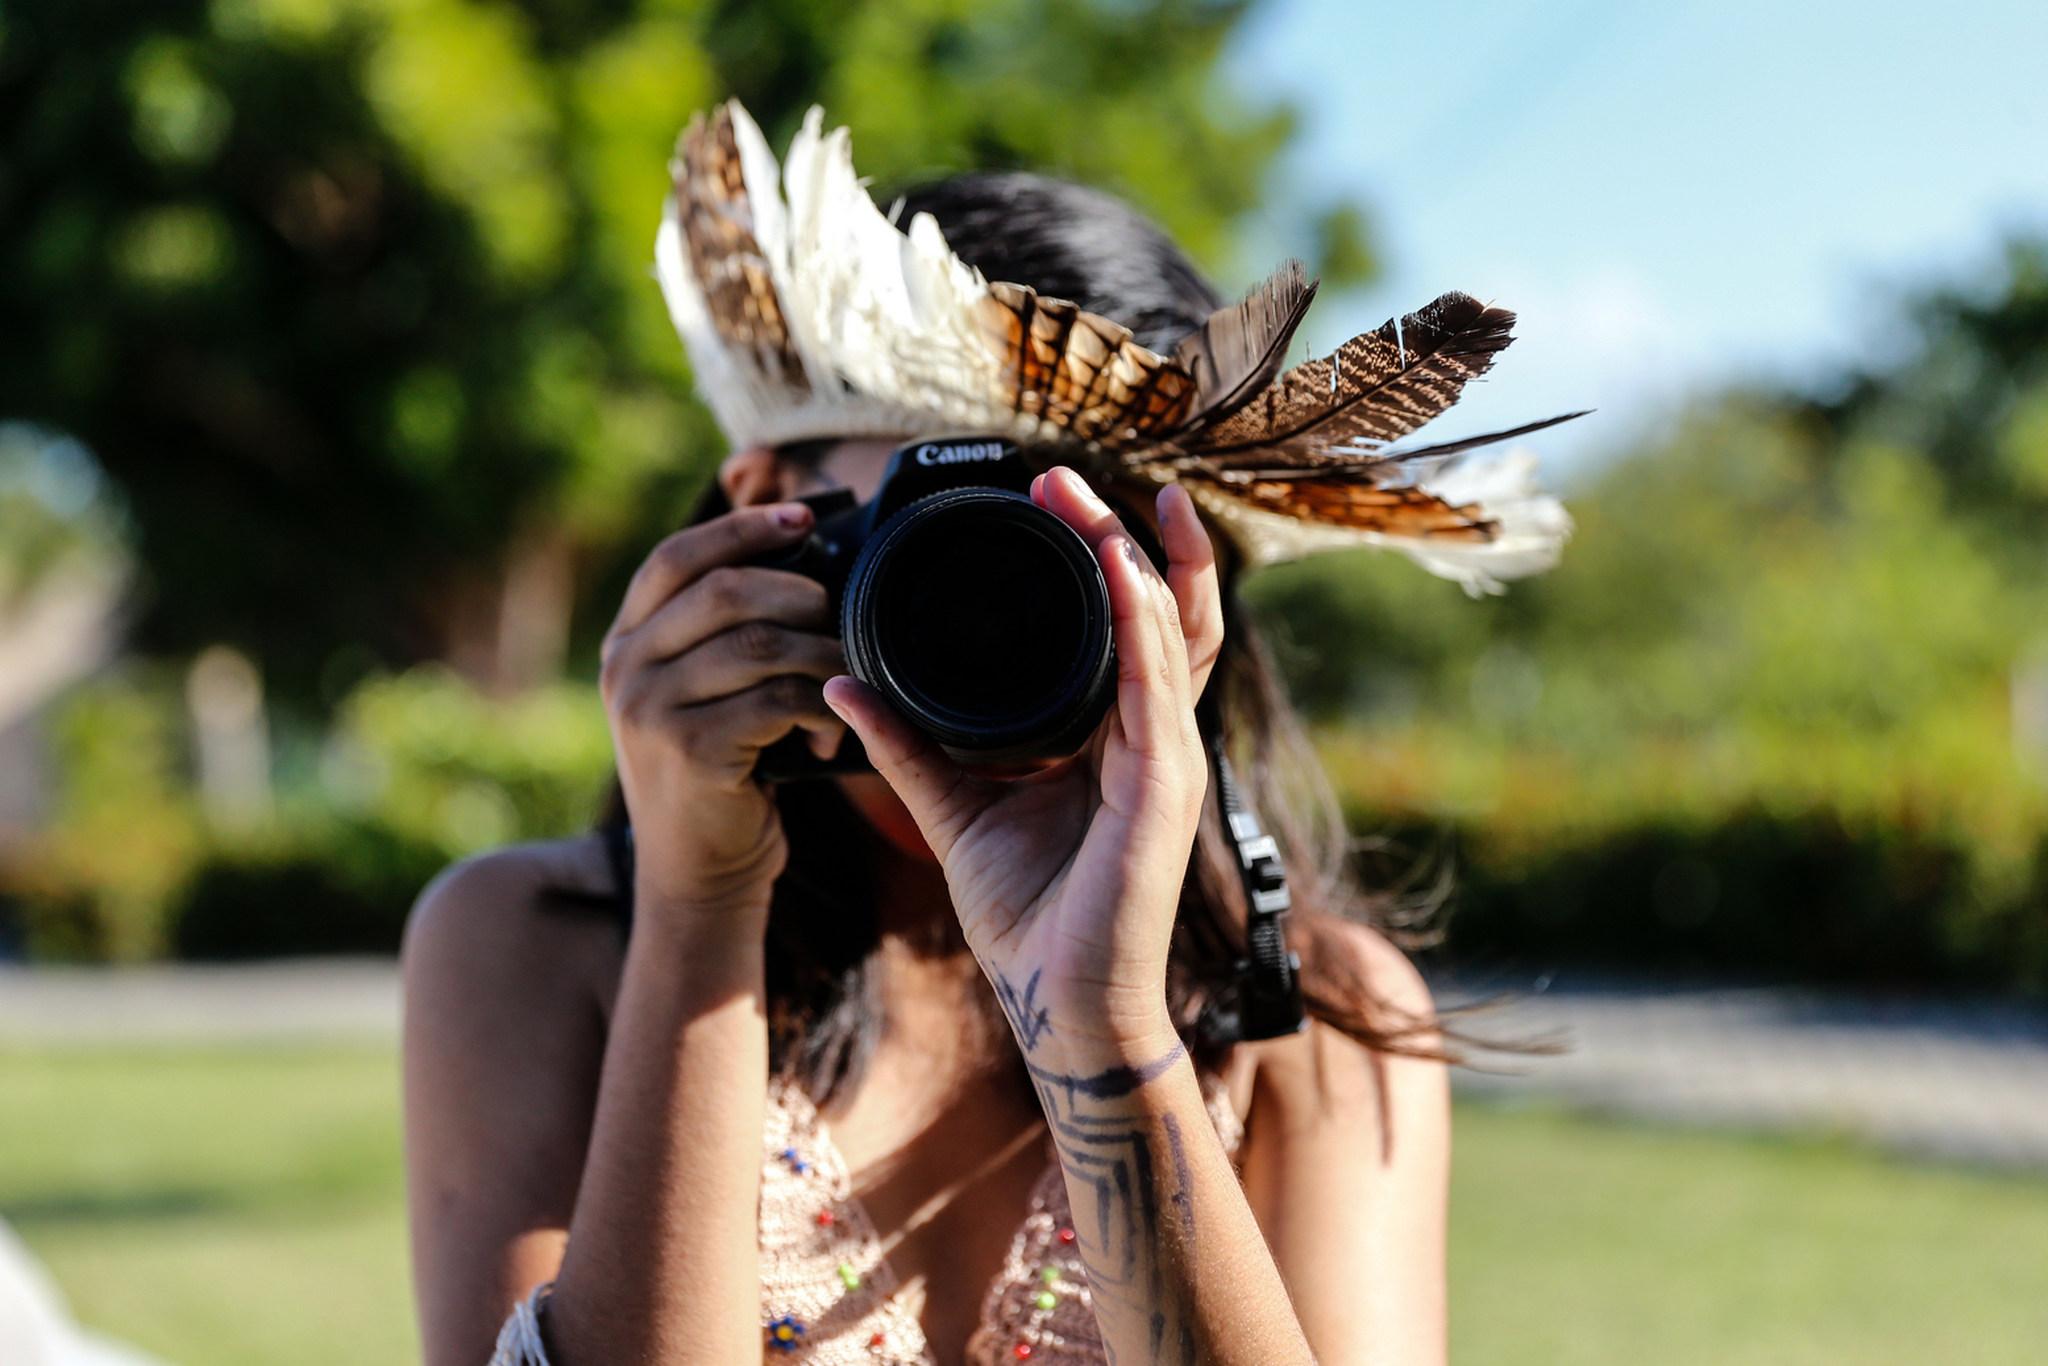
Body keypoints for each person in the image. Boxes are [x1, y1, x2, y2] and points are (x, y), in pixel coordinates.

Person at [401, 101, 1564, 1364]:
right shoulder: (532, 949)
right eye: (932, 548)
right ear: (764, 513)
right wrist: (697, 908)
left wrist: (1106, 1028)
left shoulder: (1314, 1025)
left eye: (1063, 564)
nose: (986, 628)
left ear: (1191, 590)